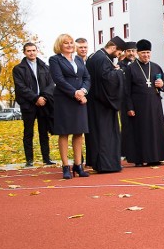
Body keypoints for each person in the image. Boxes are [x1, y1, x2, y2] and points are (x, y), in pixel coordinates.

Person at [49, 33, 93, 180]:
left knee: (79, 132)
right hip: (64, 99)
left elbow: (87, 77)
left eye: (70, 43)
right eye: (65, 43)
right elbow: (59, 80)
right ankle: (65, 166)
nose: (69, 45)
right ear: (59, 45)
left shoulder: (79, 59)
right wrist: (74, 93)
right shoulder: (55, 59)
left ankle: (78, 165)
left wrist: (83, 91)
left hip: (79, 99)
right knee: (64, 133)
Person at [84, 36, 126, 174]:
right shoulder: (102, 59)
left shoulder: (94, 56)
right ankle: (106, 164)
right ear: (114, 48)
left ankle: (97, 162)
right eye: (119, 53)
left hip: (94, 102)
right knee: (105, 134)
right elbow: (107, 80)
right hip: (103, 103)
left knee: (97, 133)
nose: (118, 56)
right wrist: (119, 72)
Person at [124, 39, 164, 166]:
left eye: (148, 52)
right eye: (143, 53)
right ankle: (140, 158)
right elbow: (126, 90)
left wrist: (162, 84)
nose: (146, 55)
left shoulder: (156, 67)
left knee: (155, 130)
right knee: (141, 132)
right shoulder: (131, 68)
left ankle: (156, 157)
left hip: (154, 104)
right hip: (138, 106)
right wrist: (129, 107)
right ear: (138, 53)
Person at [13, 42, 55, 167]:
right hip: (28, 104)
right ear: (24, 52)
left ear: (37, 51)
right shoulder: (18, 69)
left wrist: (43, 98)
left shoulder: (45, 67)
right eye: (28, 50)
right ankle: (29, 160)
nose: (31, 52)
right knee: (28, 132)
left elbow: (51, 84)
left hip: (43, 104)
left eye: (33, 50)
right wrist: (35, 98)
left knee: (43, 131)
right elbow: (21, 87)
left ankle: (46, 158)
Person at [118, 41, 138, 161]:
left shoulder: (140, 64)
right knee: (126, 125)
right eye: (129, 51)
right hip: (124, 100)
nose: (131, 53)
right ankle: (125, 151)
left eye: (133, 51)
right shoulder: (120, 65)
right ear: (125, 52)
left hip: (137, 99)